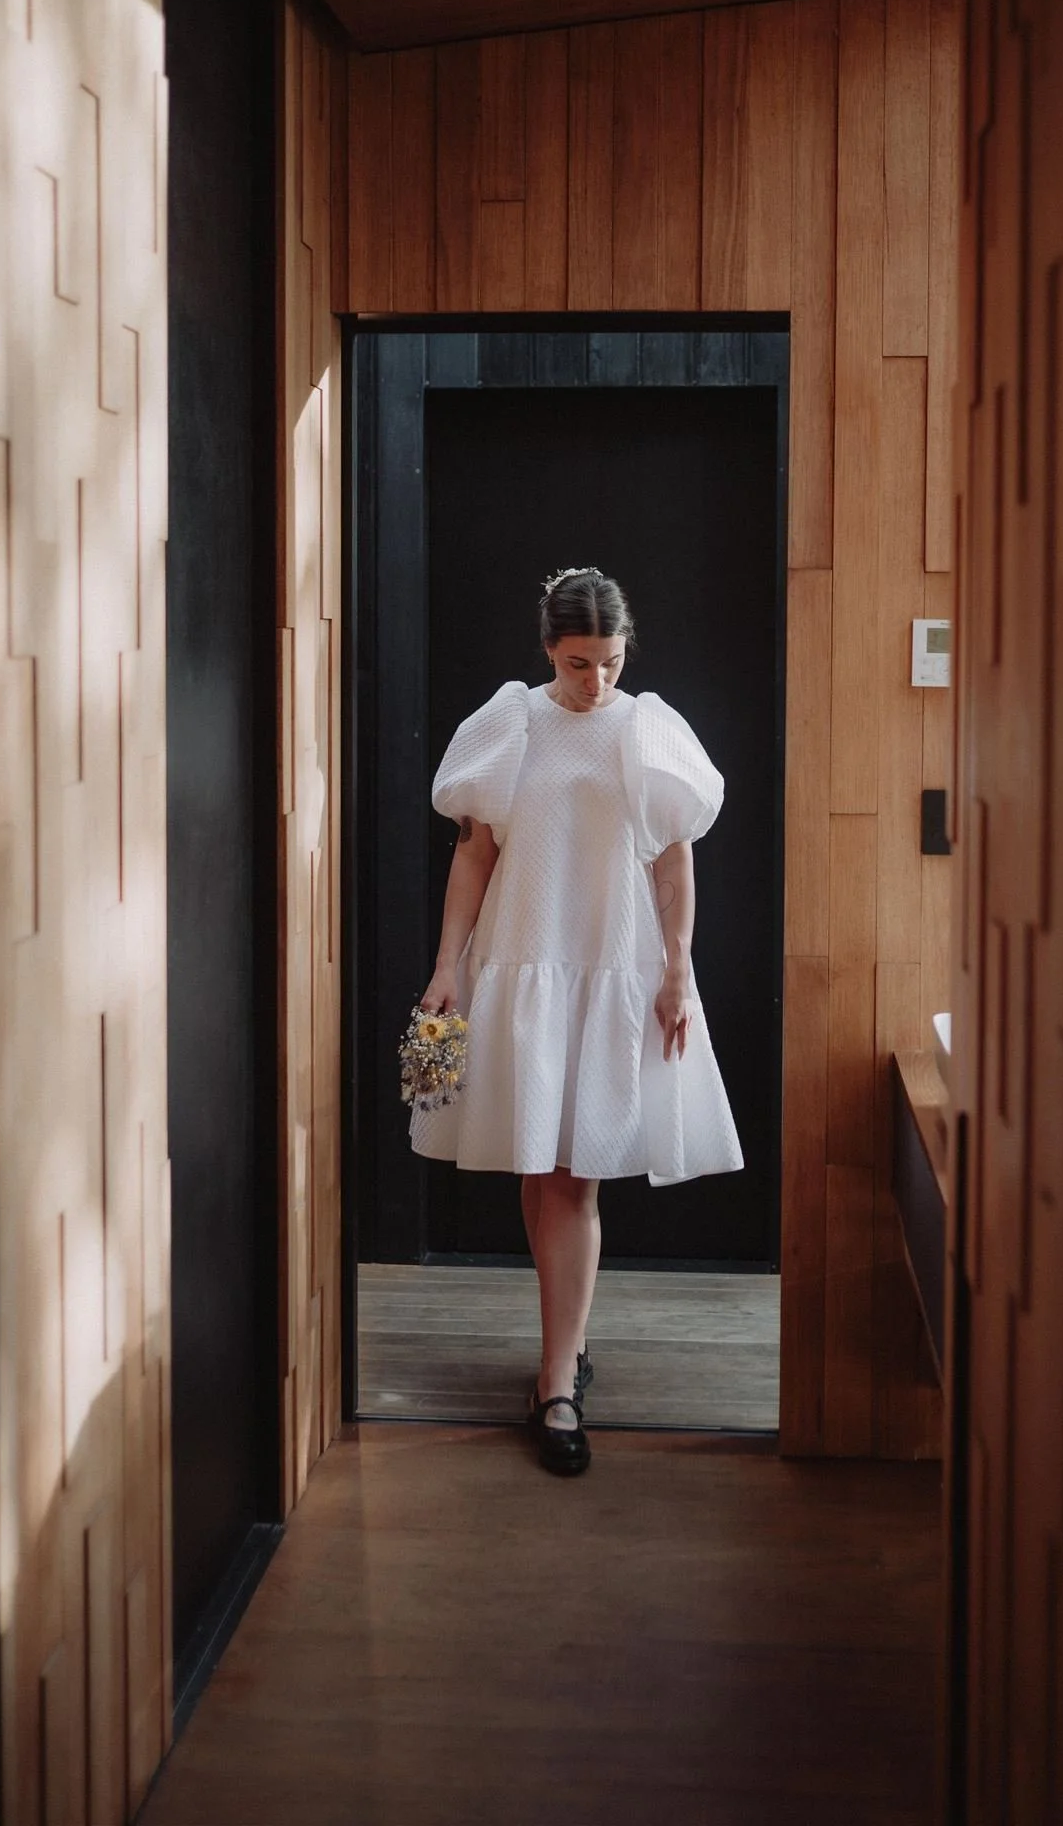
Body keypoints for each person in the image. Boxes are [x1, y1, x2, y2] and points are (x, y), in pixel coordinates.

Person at [414, 568, 742, 1476]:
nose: (594, 681)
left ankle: (558, 1378)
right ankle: (564, 1351)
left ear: (626, 648)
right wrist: (448, 967)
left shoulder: (647, 729)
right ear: (548, 650)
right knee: (542, 1167)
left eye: (608, 661)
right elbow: (473, 857)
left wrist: (679, 972)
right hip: (524, 962)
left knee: (576, 1175)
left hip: (612, 966)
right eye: (576, 663)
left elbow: (674, 863)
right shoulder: (513, 722)